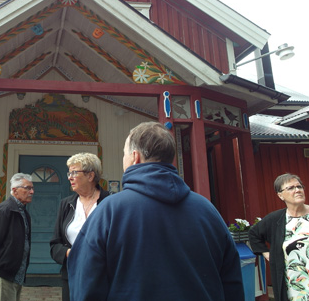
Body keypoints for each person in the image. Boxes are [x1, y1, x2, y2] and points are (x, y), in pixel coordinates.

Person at [68, 121, 244, 301]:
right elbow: (232, 282)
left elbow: (85, 285)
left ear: (134, 157)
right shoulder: (208, 211)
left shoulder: (108, 212)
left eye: (124, 154)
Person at [50, 152, 109, 301]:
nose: (69, 177)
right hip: (72, 275)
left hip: (103, 276)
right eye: (69, 173)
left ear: (90, 176)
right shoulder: (66, 204)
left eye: (74, 172)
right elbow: (55, 245)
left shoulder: (110, 202)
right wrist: (71, 253)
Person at [249, 173, 309, 301]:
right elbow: (254, 234)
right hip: (292, 289)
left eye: (299, 186)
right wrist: (266, 253)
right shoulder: (275, 219)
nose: (297, 190)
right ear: (280, 195)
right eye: (291, 188)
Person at [0, 173, 34, 301]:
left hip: (17, 274)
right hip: (4, 274)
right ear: (15, 190)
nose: (32, 192)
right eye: (27, 188)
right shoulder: (5, 210)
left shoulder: (23, 212)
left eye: (32, 188)